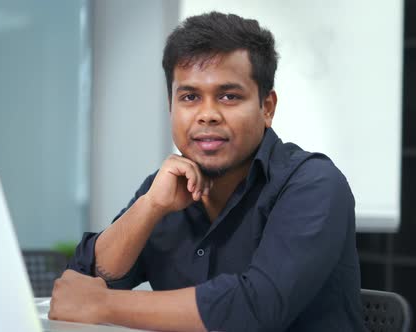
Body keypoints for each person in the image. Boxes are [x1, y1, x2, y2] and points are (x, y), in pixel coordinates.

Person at [49, 11, 365, 332]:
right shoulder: (164, 188)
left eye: (229, 96)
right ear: (171, 107)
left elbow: (256, 308)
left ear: (266, 107)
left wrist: (103, 305)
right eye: (190, 97)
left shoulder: (314, 184)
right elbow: (82, 285)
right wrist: (149, 207)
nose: (207, 115)